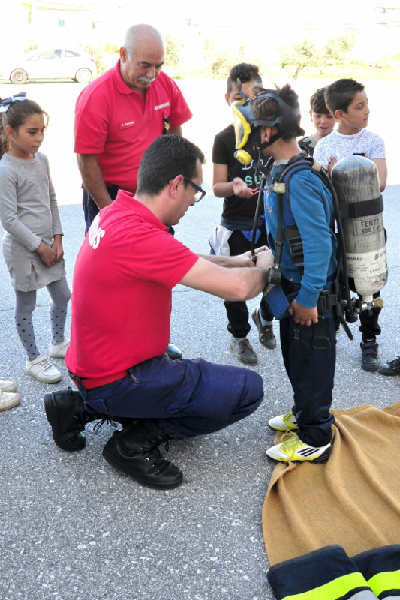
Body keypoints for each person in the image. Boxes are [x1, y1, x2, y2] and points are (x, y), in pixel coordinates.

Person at [45, 134, 274, 490]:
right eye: (195, 192)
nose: (194, 203)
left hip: (92, 365)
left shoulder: (117, 213)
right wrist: (267, 267)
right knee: (247, 389)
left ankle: (77, 407)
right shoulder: (140, 238)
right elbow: (240, 289)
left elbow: (180, 258)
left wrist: (238, 259)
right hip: (116, 378)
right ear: (176, 184)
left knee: (176, 359)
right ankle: (134, 443)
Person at [74, 23, 192, 361]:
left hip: (153, 194)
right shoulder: (95, 96)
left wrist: (176, 181)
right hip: (110, 194)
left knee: (157, 276)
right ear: (123, 55)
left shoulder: (163, 84)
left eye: (159, 66)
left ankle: (152, 346)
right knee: (112, 280)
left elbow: (177, 128)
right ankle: (110, 352)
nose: (153, 74)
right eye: (145, 65)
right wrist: (108, 209)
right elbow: (87, 160)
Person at [242, 84, 338, 462]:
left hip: (309, 294)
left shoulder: (298, 180)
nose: (245, 136)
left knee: (312, 363)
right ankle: (304, 415)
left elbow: (320, 246)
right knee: (296, 358)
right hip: (293, 285)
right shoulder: (282, 169)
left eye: (249, 128)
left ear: (266, 132)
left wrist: (310, 297)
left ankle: (316, 435)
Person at [314, 79, 387, 372]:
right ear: (340, 114)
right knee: (336, 283)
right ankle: (328, 335)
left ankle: (369, 341)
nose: (367, 110)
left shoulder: (373, 140)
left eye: (366, 103)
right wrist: (352, 169)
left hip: (369, 228)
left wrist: (339, 171)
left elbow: (379, 182)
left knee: (371, 286)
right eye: (360, 106)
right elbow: (321, 189)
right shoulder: (324, 145)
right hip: (339, 229)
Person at [0, 94, 71, 383]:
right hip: (24, 250)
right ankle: (33, 358)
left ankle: (58, 343)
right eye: (32, 132)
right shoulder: (6, 170)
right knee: (26, 305)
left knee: (63, 295)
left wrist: (57, 238)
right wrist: (40, 247)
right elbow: (9, 219)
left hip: (49, 247)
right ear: (10, 132)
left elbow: (52, 200)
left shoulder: (42, 160)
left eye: (42, 130)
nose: (39, 137)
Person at [211, 63, 276, 366]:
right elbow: (216, 186)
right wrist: (233, 186)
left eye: (251, 99)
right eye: (238, 100)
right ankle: (239, 335)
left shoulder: (270, 137)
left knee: (275, 278)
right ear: (227, 100)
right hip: (237, 225)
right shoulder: (224, 139)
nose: (245, 107)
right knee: (234, 286)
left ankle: (264, 315)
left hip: (271, 222)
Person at [298, 87, 336, 156]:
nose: (323, 121)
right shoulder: (302, 146)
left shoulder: (343, 144)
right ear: (311, 115)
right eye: (318, 116)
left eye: (329, 116)